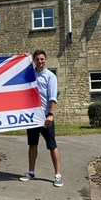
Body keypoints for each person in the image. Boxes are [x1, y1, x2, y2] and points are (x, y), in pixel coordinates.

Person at [19, 49, 63, 187]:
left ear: (45, 59)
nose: (39, 62)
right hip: (32, 117)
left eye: (42, 59)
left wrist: (51, 114)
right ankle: (31, 172)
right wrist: (22, 59)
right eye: (37, 59)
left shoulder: (50, 76)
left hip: (45, 116)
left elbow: (52, 97)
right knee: (32, 144)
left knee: (52, 145)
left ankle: (57, 175)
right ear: (34, 60)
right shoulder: (30, 75)